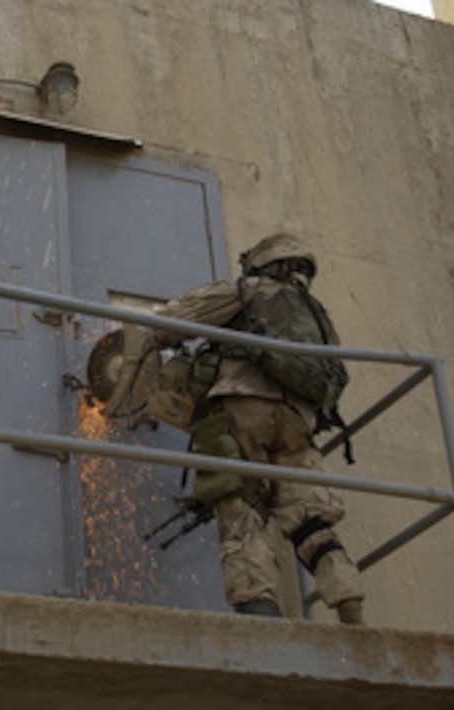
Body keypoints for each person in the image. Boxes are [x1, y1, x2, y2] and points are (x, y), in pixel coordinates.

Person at [108, 232, 364, 624]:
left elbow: (176, 320)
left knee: (241, 511)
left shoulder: (246, 291)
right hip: (299, 424)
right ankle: (349, 602)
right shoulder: (317, 315)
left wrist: (144, 350)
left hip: (245, 411)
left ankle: (260, 612)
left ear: (263, 263)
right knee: (309, 518)